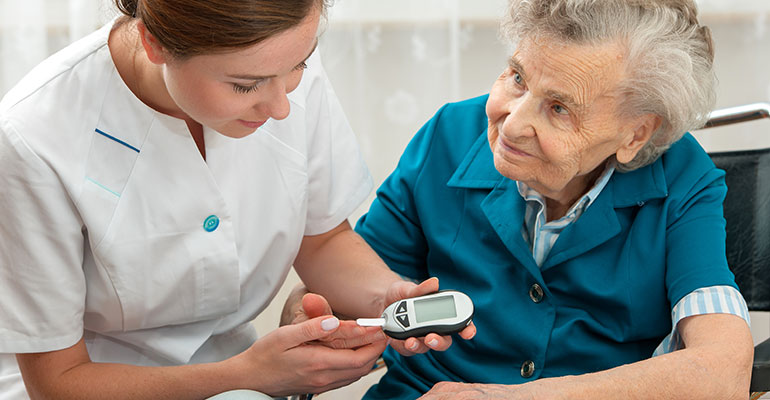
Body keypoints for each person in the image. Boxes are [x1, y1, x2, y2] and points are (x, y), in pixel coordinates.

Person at [0, 0, 474, 399]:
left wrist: (385, 296)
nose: (281, 106)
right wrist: (250, 374)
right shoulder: (33, 139)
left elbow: (322, 239)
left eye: (299, 66)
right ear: (154, 44)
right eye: (245, 86)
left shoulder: (275, 57)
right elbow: (58, 382)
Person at [351, 0, 754, 398]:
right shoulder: (449, 135)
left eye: (559, 108)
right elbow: (352, 284)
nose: (513, 124)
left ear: (635, 135)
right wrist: (314, 315)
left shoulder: (684, 179)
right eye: (518, 79)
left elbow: (721, 370)